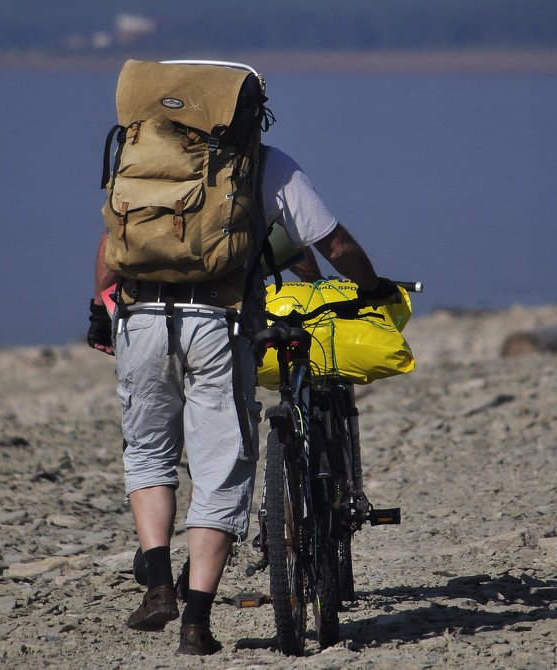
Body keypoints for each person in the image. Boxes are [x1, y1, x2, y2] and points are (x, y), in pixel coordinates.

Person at [87, 62, 398, 656]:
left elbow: (110, 250)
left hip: (141, 319)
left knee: (149, 450)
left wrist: (103, 310)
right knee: (221, 467)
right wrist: (373, 284)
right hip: (219, 322)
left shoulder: (140, 158)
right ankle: (196, 623)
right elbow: (332, 244)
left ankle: (157, 583)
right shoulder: (263, 163)